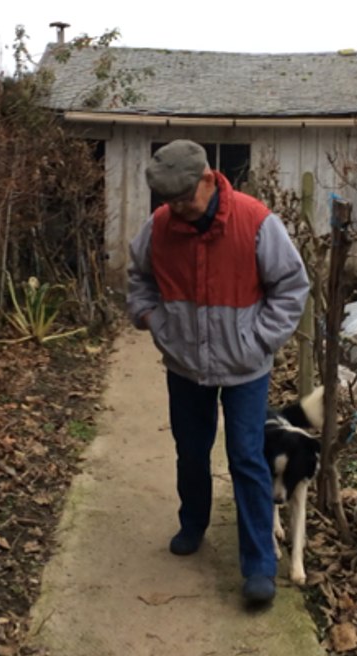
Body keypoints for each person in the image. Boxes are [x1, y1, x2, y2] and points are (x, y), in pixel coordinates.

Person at [127, 139, 310, 606]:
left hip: (246, 366)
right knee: (191, 450)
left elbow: (292, 286)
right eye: (169, 200)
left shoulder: (255, 222)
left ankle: (259, 565)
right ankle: (193, 523)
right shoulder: (160, 227)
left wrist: (259, 340)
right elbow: (138, 278)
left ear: (209, 179)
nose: (178, 208)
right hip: (185, 364)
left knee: (247, 456)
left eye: (185, 198)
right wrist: (154, 321)